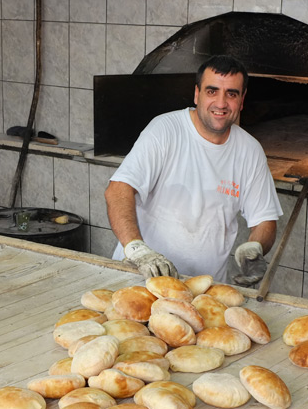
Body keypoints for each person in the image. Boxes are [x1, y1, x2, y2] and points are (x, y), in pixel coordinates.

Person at [105, 54, 282, 285]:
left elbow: (265, 220)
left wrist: (255, 247)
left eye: (231, 94)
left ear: (242, 99)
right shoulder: (165, 130)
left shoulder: (250, 151)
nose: (221, 103)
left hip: (203, 289)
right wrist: (138, 251)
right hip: (141, 279)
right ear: (197, 94)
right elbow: (118, 190)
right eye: (212, 91)